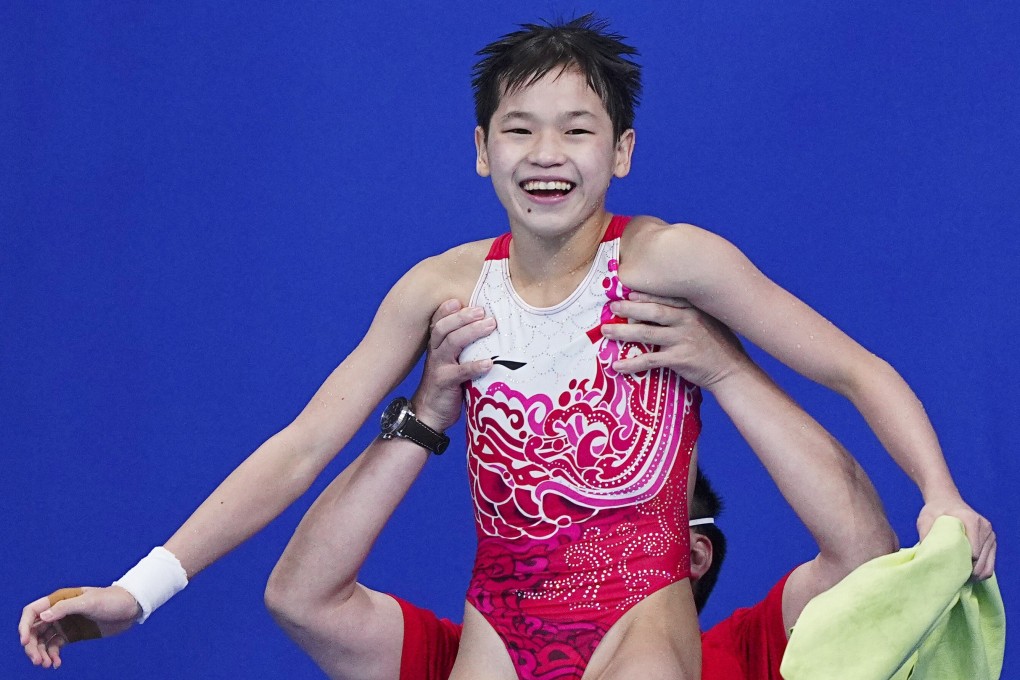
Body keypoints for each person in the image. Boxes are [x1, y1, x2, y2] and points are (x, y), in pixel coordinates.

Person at [20, 12, 994, 678]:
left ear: (622, 150)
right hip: (502, 627)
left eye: (577, 129)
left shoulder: (669, 260)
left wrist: (940, 492)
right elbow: (302, 444)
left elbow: (853, 366)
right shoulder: (440, 289)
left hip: (639, 620)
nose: (546, 154)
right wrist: (136, 593)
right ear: (482, 148)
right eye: (518, 129)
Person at [263, 298, 898, 680]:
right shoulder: (465, 660)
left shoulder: (751, 657)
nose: (573, 524)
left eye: (620, 517)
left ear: (694, 554)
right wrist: (424, 419)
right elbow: (304, 598)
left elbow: (865, 563)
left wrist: (727, 370)